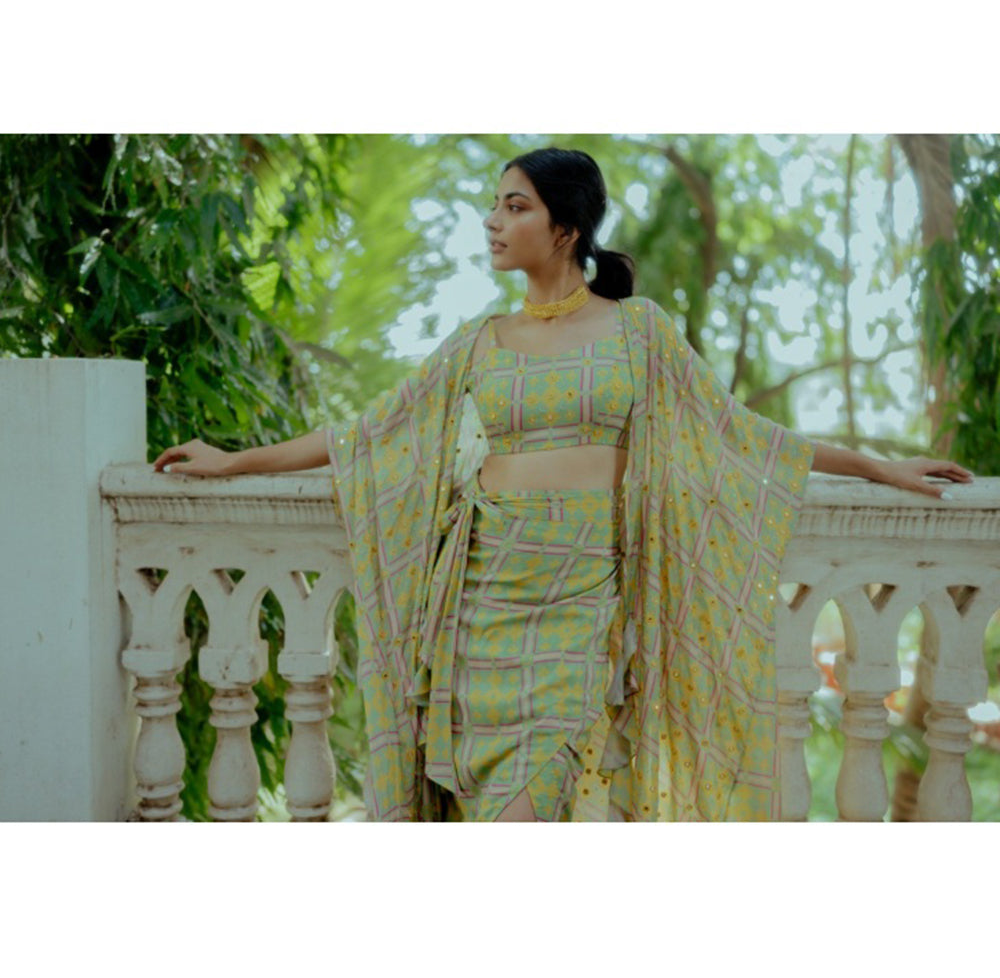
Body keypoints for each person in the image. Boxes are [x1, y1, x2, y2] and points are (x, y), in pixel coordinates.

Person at [154, 147, 974, 822]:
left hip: (578, 603)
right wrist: (234, 460)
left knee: (532, 801)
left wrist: (878, 466)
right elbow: (368, 436)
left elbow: (741, 437)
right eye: (494, 206)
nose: (493, 221)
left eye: (515, 206)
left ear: (566, 227)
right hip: (483, 602)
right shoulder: (481, 341)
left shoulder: (639, 332)